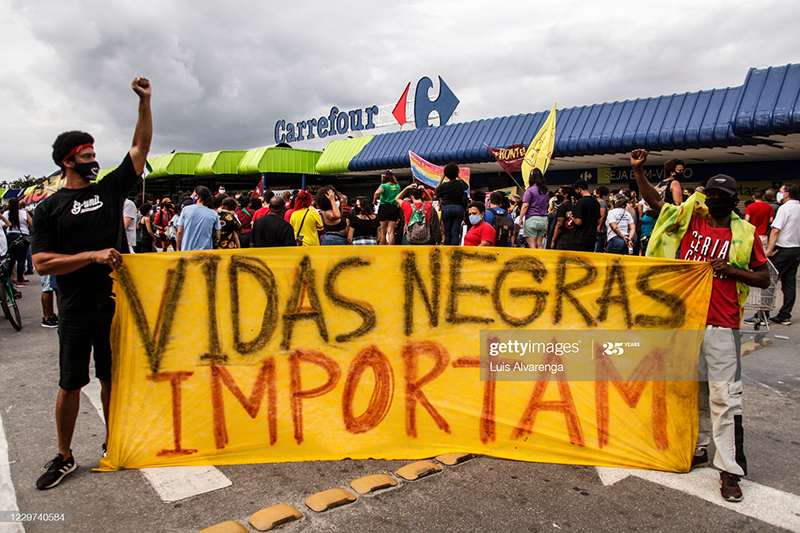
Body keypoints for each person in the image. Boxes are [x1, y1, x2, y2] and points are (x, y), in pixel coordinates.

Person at [30, 77, 152, 490]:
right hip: (76, 307)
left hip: (114, 304)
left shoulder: (110, 190)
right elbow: (42, 262)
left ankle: (112, 440)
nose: (94, 161)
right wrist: (91, 256)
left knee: (111, 378)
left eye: (95, 154)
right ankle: (64, 455)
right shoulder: (48, 209)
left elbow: (139, 148)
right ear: (68, 162)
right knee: (70, 383)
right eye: (86, 156)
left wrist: (145, 103)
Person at [631, 148, 769, 504]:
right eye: (712, 194)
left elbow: (763, 278)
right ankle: (698, 448)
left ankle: (730, 471)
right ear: (705, 197)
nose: (716, 200)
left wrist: (732, 270)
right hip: (686, 323)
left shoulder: (745, 234)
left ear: (734, 201)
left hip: (723, 325)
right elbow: (656, 203)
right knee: (691, 392)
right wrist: (639, 171)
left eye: (723, 196)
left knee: (725, 397)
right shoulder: (691, 221)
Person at [764, 183, 800, 326]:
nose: (779, 194)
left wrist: (769, 250)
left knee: (769, 281)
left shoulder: (785, 208)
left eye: (781, 191)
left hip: (782, 250)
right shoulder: (798, 207)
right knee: (789, 283)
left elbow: (776, 230)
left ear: (786, 194)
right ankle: (785, 315)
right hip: (795, 249)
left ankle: (763, 314)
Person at [435, 162, 468, 245]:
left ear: (446, 175)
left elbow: (436, 192)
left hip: (446, 208)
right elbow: (466, 186)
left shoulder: (444, 186)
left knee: (447, 234)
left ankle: (447, 250)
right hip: (459, 208)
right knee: (455, 233)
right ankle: (455, 250)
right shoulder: (460, 184)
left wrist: (441, 179)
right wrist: (458, 176)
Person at [518, 168, 549, 249]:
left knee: (532, 245)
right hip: (543, 219)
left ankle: (534, 257)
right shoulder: (546, 191)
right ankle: (541, 257)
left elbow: (525, 205)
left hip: (532, 218)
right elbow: (546, 204)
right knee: (540, 244)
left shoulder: (530, 190)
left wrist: (520, 218)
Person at [5, 197, 33, 286]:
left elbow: (4, 225)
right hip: (22, 237)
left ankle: (9, 279)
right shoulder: (24, 213)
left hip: (10, 236)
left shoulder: (6, 213)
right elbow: (32, 224)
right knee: (21, 259)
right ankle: (20, 280)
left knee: (11, 260)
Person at [568, 180, 601, 252]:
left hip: (580, 238)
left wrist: (571, 217)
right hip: (592, 238)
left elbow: (578, 222)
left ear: (579, 189)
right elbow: (599, 221)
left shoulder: (581, 202)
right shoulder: (596, 202)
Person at [373, 170, 402, 245]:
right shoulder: (397, 186)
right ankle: (391, 247)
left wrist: (374, 200)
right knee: (391, 231)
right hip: (394, 208)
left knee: (383, 231)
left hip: (384, 207)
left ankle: (383, 247)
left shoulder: (384, 185)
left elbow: (377, 193)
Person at [593, 186, 610, 253]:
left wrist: (599, 226)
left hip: (601, 230)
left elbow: (602, 215)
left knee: (598, 248)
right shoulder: (599, 202)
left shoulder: (601, 202)